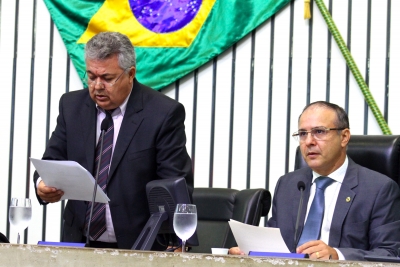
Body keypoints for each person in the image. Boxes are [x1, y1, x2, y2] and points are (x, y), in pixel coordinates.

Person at [33, 32, 193, 249]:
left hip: (138, 246)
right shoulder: (72, 106)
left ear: (130, 74)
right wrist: (42, 185)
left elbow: (174, 182)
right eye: (91, 76)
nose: (97, 86)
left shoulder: (163, 113)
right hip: (80, 242)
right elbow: (52, 160)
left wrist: (175, 237)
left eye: (107, 78)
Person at [229, 101, 400, 260]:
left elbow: (389, 253)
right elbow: (274, 245)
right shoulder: (288, 184)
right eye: (303, 134)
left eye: (319, 132)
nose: (309, 142)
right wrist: (250, 251)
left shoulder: (379, 189)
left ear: (344, 137)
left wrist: (337, 255)